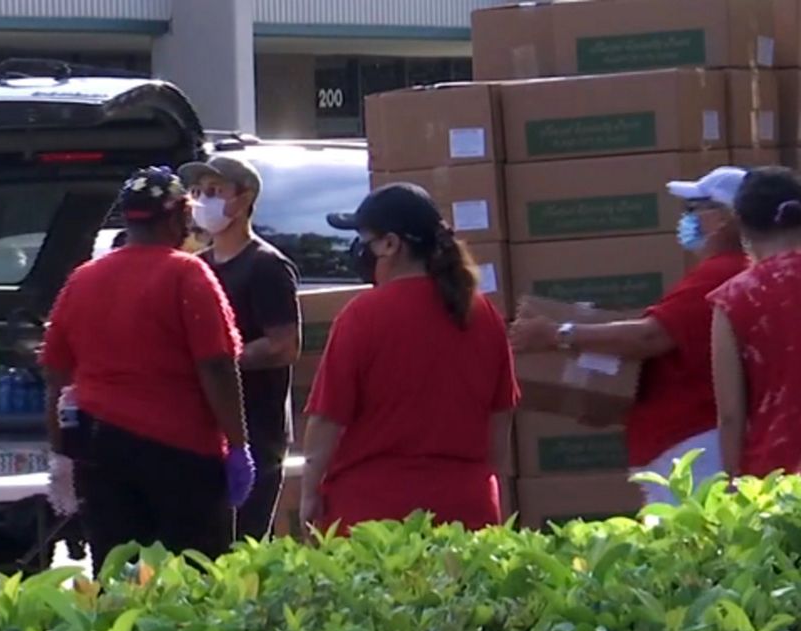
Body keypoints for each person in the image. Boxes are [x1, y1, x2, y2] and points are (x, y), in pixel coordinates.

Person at [41, 167, 254, 572]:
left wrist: (61, 455)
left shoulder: (83, 280)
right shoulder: (187, 274)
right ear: (177, 217)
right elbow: (218, 368)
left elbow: (55, 379)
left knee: (117, 574)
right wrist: (238, 445)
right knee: (193, 578)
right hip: (182, 456)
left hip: (101, 453)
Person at [509, 167, 750, 502]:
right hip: (683, 444)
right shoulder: (726, 272)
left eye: (694, 209)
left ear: (724, 218)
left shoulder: (721, 273)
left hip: (692, 449)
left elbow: (649, 338)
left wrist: (557, 334)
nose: (687, 218)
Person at [300, 184, 517, 532]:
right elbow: (500, 420)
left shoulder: (363, 316)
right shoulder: (481, 313)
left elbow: (327, 421)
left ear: (390, 244)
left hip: (373, 518)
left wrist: (309, 494)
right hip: (466, 513)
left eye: (365, 239)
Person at [180, 155, 301, 539]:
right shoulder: (196, 267)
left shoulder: (266, 266)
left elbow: (285, 346)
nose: (203, 201)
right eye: (197, 192)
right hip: (202, 433)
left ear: (244, 199)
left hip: (256, 437)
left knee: (241, 549)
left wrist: (222, 359)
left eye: (215, 192)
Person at [709, 167, 801, 478]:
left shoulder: (733, 299)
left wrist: (732, 485)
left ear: (741, 224)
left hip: (774, 480)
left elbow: (731, 415)